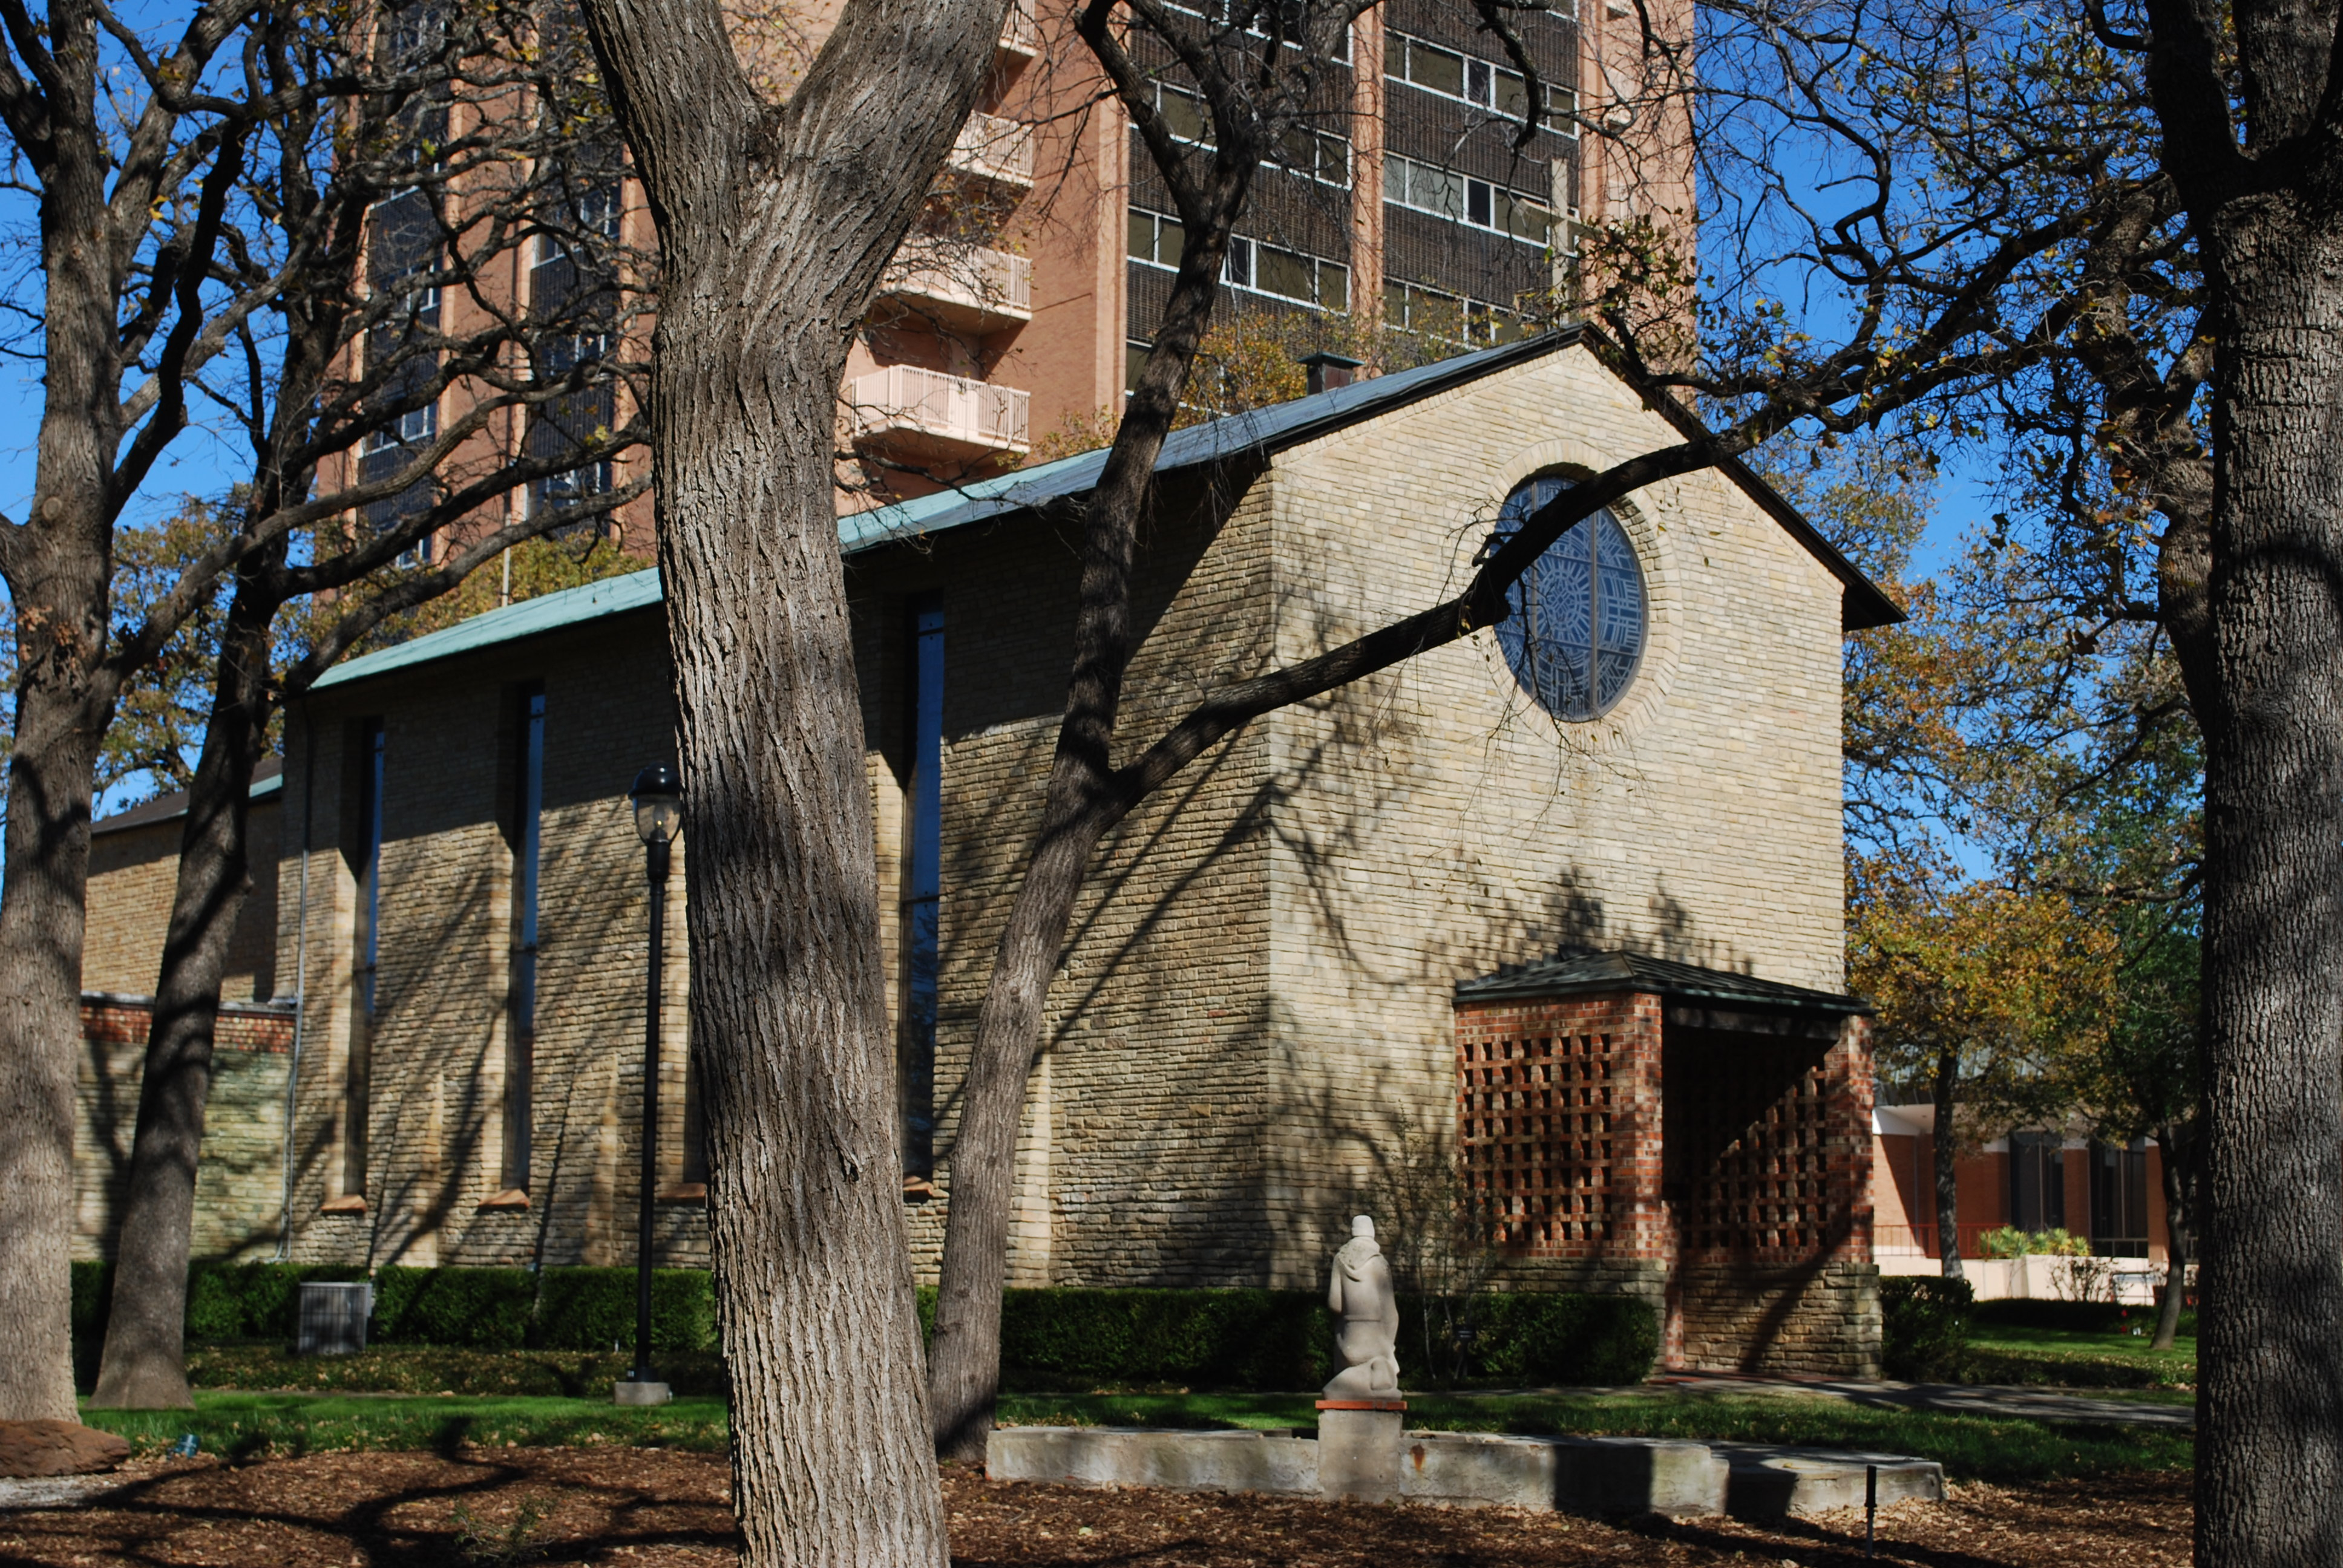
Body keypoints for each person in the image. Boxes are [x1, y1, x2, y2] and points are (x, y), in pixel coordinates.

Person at [1323, 1214, 1401, 1397]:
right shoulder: (1379, 1263)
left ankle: (1364, 1373)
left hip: (1348, 1342)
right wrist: (1389, 1344)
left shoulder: (1340, 1260)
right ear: (1372, 1235)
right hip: (1376, 1342)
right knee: (1385, 1357)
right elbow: (1391, 1313)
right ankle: (1379, 1368)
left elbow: (1335, 1304)